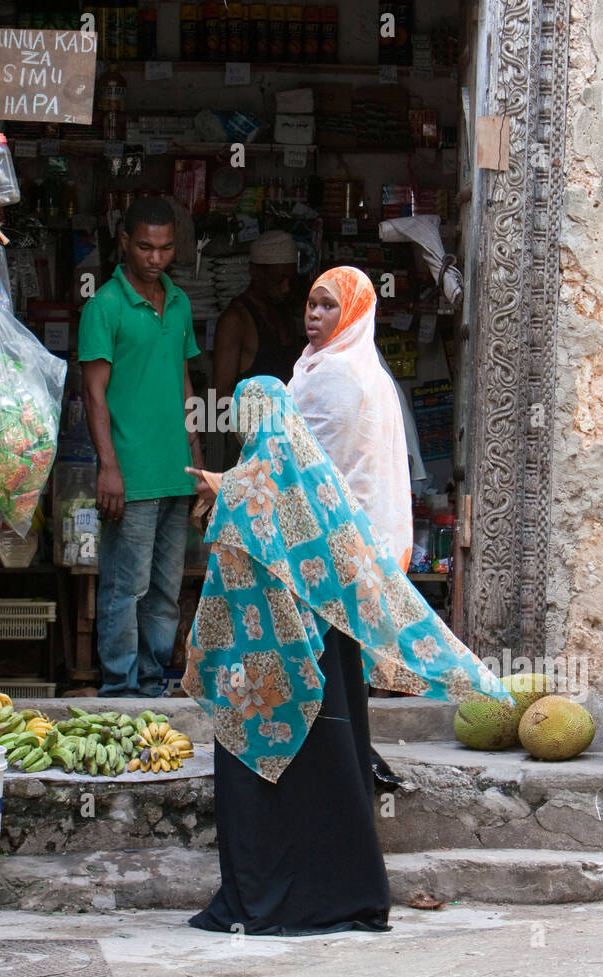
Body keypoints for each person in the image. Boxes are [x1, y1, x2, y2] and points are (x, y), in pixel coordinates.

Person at [182, 376, 513, 936]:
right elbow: (356, 573)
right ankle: (348, 896)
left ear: (244, 419)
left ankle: (264, 901)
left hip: (259, 675)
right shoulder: (323, 482)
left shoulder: (243, 490)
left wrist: (223, 497)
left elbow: (231, 584)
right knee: (333, 779)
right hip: (330, 666)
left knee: (266, 791)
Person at [79, 196, 203, 699]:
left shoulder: (179, 303)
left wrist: (197, 456)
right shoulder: (104, 307)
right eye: (146, 247)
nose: (156, 258)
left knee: (165, 593)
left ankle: (152, 684)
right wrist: (109, 467)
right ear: (125, 243)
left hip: (176, 472)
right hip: (130, 476)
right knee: (123, 589)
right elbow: (93, 393)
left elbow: (184, 381)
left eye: (166, 248)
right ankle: (119, 688)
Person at [290, 265, 413, 573]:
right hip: (370, 538)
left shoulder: (337, 373)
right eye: (312, 304)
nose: (315, 314)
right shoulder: (368, 373)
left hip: (337, 538)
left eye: (329, 305)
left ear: (354, 314)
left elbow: (298, 459)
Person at [211, 229, 301, 403]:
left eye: (291, 280)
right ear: (255, 272)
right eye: (278, 280)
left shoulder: (284, 310)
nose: (286, 288)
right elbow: (221, 394)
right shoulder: (235, 321)